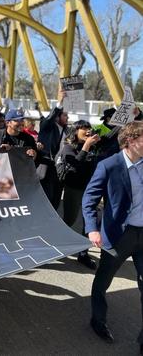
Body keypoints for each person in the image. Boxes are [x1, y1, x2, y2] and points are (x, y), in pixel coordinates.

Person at [82, 121, 143, 350]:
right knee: (103, 281)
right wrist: (92, 228)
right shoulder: (108, 166)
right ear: (131, 141)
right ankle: (98, 320)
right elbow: (89, 199)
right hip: (119, 235)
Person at [59, 120, 100, 270]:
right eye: (83, 128)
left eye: (89, 128)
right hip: (74, 189)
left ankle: (83, 253)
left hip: (90, 190)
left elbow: (113, 134)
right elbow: (74, 166)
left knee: (90, 222)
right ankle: (57, 243)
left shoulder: (94, 147)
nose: (87, 131)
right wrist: (86, 146)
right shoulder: (68, 148)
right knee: (69, 220)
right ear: (76, 131)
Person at [37, 89, 68, 208]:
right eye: (65, 115)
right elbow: (50, 117)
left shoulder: (65, 131)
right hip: (45, 167)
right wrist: (60, 103)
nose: (67, 118)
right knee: (45, 198)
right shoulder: (47, 126)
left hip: (56, 169)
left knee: (55, 200)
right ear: (57, 117)